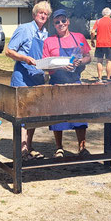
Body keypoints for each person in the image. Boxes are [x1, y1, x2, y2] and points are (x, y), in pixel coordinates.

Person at [5, 0, 52, 160]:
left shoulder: (45, 33)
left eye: (46, 14)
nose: (43, 16)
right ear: (34, 14)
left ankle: (28, 146)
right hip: (22, 77)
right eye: (41, 13)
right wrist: (25, 58)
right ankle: (21, 150)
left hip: (37, 77)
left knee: (33, 115)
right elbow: (9, 51)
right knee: (21, 116)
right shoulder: (24, 29)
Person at [43, 9, 92, 157]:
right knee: (57, 116)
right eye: (57, 22)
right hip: (57, 82)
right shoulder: (49, 41)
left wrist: (81, 61)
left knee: (79, 115)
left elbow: (88, 56)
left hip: (75, 81)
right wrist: (60, 65)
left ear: (68, 21)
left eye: (63, 20)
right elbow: (45, 64)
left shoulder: (79, 38)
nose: (61, 24)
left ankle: (82, 147)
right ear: (54, 24)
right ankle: (59, 147)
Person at [90, 7, 111, 82]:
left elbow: (92, 31)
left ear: (102, 14)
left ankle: (99, 78)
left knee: (99, 61)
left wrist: (92, 40)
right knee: (109, 61)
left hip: (100, 44)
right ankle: (108, 78)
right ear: (110, 14)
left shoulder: (98, 21)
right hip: (109, 44)